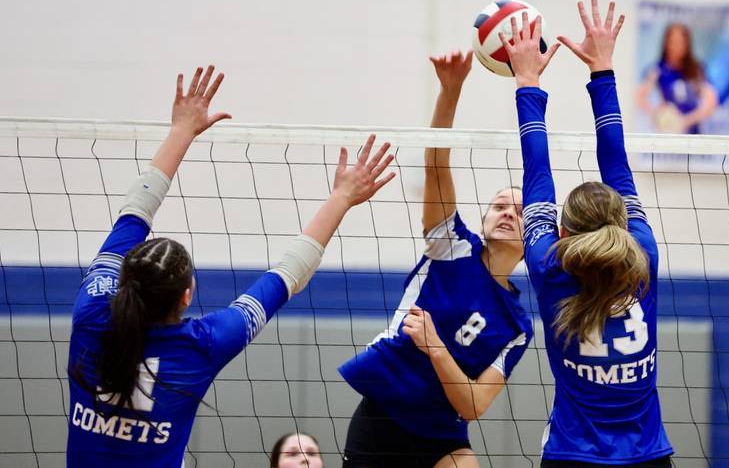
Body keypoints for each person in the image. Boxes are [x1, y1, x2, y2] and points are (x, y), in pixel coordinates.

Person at [66, 65, 396, 467]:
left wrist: (180, 130)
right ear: (187, 296)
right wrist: (342, 198)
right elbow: (287, 275)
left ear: (124, 282)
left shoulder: (91, 311)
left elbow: (134, 212)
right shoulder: (202, 345)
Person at [337, 49, 533, 468]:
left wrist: (435, 347)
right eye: (500, 206)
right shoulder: (453, 248)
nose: (507, 214)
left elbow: (475, 405)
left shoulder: (518, 325)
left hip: (441, 429)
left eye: (518, 212)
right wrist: (451, 91)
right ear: (482, 220)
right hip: (387, 409)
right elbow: (435, 165)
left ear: (532, 236)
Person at [501, 0, 673, 465]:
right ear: (621, 220)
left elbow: (537, 173)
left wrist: (527, 81)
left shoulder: (547, 264)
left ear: (560, 230)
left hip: (574, 454)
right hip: (647, 455)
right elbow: (617, 162)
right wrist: (603, 69)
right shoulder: (642, 257)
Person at [635, 22, 718, 134]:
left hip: (692, 135)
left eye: (681, 42)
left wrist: (687, 120)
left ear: (687, 44)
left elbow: (711, 102)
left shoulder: (697, 70)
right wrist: (658, 113)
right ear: (666, 43)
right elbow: (639, 97)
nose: (677, 47)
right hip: (667, 135)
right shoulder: (656, 70)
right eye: (673, 42)